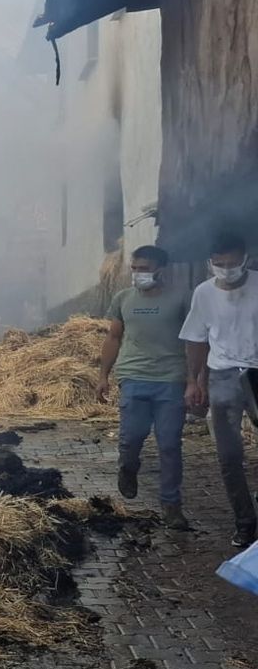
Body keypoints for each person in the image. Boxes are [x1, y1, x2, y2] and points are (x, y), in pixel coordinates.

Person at [96, 245, 191, 530]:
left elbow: (195, 339)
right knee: (131, 437)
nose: (138, 274)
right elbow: (113, 338)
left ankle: (171, 504)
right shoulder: (123, 299)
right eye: (135, 268)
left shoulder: (182, 298)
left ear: (161, 269)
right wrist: (103, 375)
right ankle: (128, 467)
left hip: (171, 379)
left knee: (170, 444)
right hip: (133, 377)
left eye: (145, 269)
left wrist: (196, 380)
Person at [180, 232, 258, 548]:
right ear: (210, 263)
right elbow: (196, 340)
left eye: (232, 263)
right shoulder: (203, 293)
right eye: (219, 263)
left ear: (246, 259)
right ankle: (245, 522)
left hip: (257, 373)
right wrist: (194, 381)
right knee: (228, 456)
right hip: (223, 376)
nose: (226, 269)